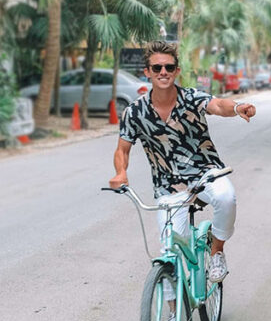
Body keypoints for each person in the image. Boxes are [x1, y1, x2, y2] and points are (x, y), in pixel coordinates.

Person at [109, 40, 256, 282]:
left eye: (168, 67)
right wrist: (120, 173)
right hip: (168, 185)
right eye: (157, 68)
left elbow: (219, 105)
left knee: (226, 197)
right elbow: (122, 149)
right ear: (147, 72)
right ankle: (171, 317)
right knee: (169, 254)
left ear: (177, 70)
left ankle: (217, 250)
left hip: (206, 173)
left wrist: (238, 106)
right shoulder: (134, 112)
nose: (163, 72)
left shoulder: (191, 98)